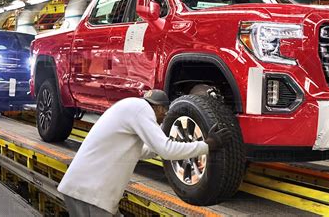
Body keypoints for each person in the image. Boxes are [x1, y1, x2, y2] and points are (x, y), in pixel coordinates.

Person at [58, 90, 232, 217]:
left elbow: (141, 151)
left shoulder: (131, 108)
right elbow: (165, 149)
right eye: (165, 112)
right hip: (91, 195)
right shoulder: (142, 110)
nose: (164, 119)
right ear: (159, 108)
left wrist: (177, 146)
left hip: (83, 190)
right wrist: (208, 145)